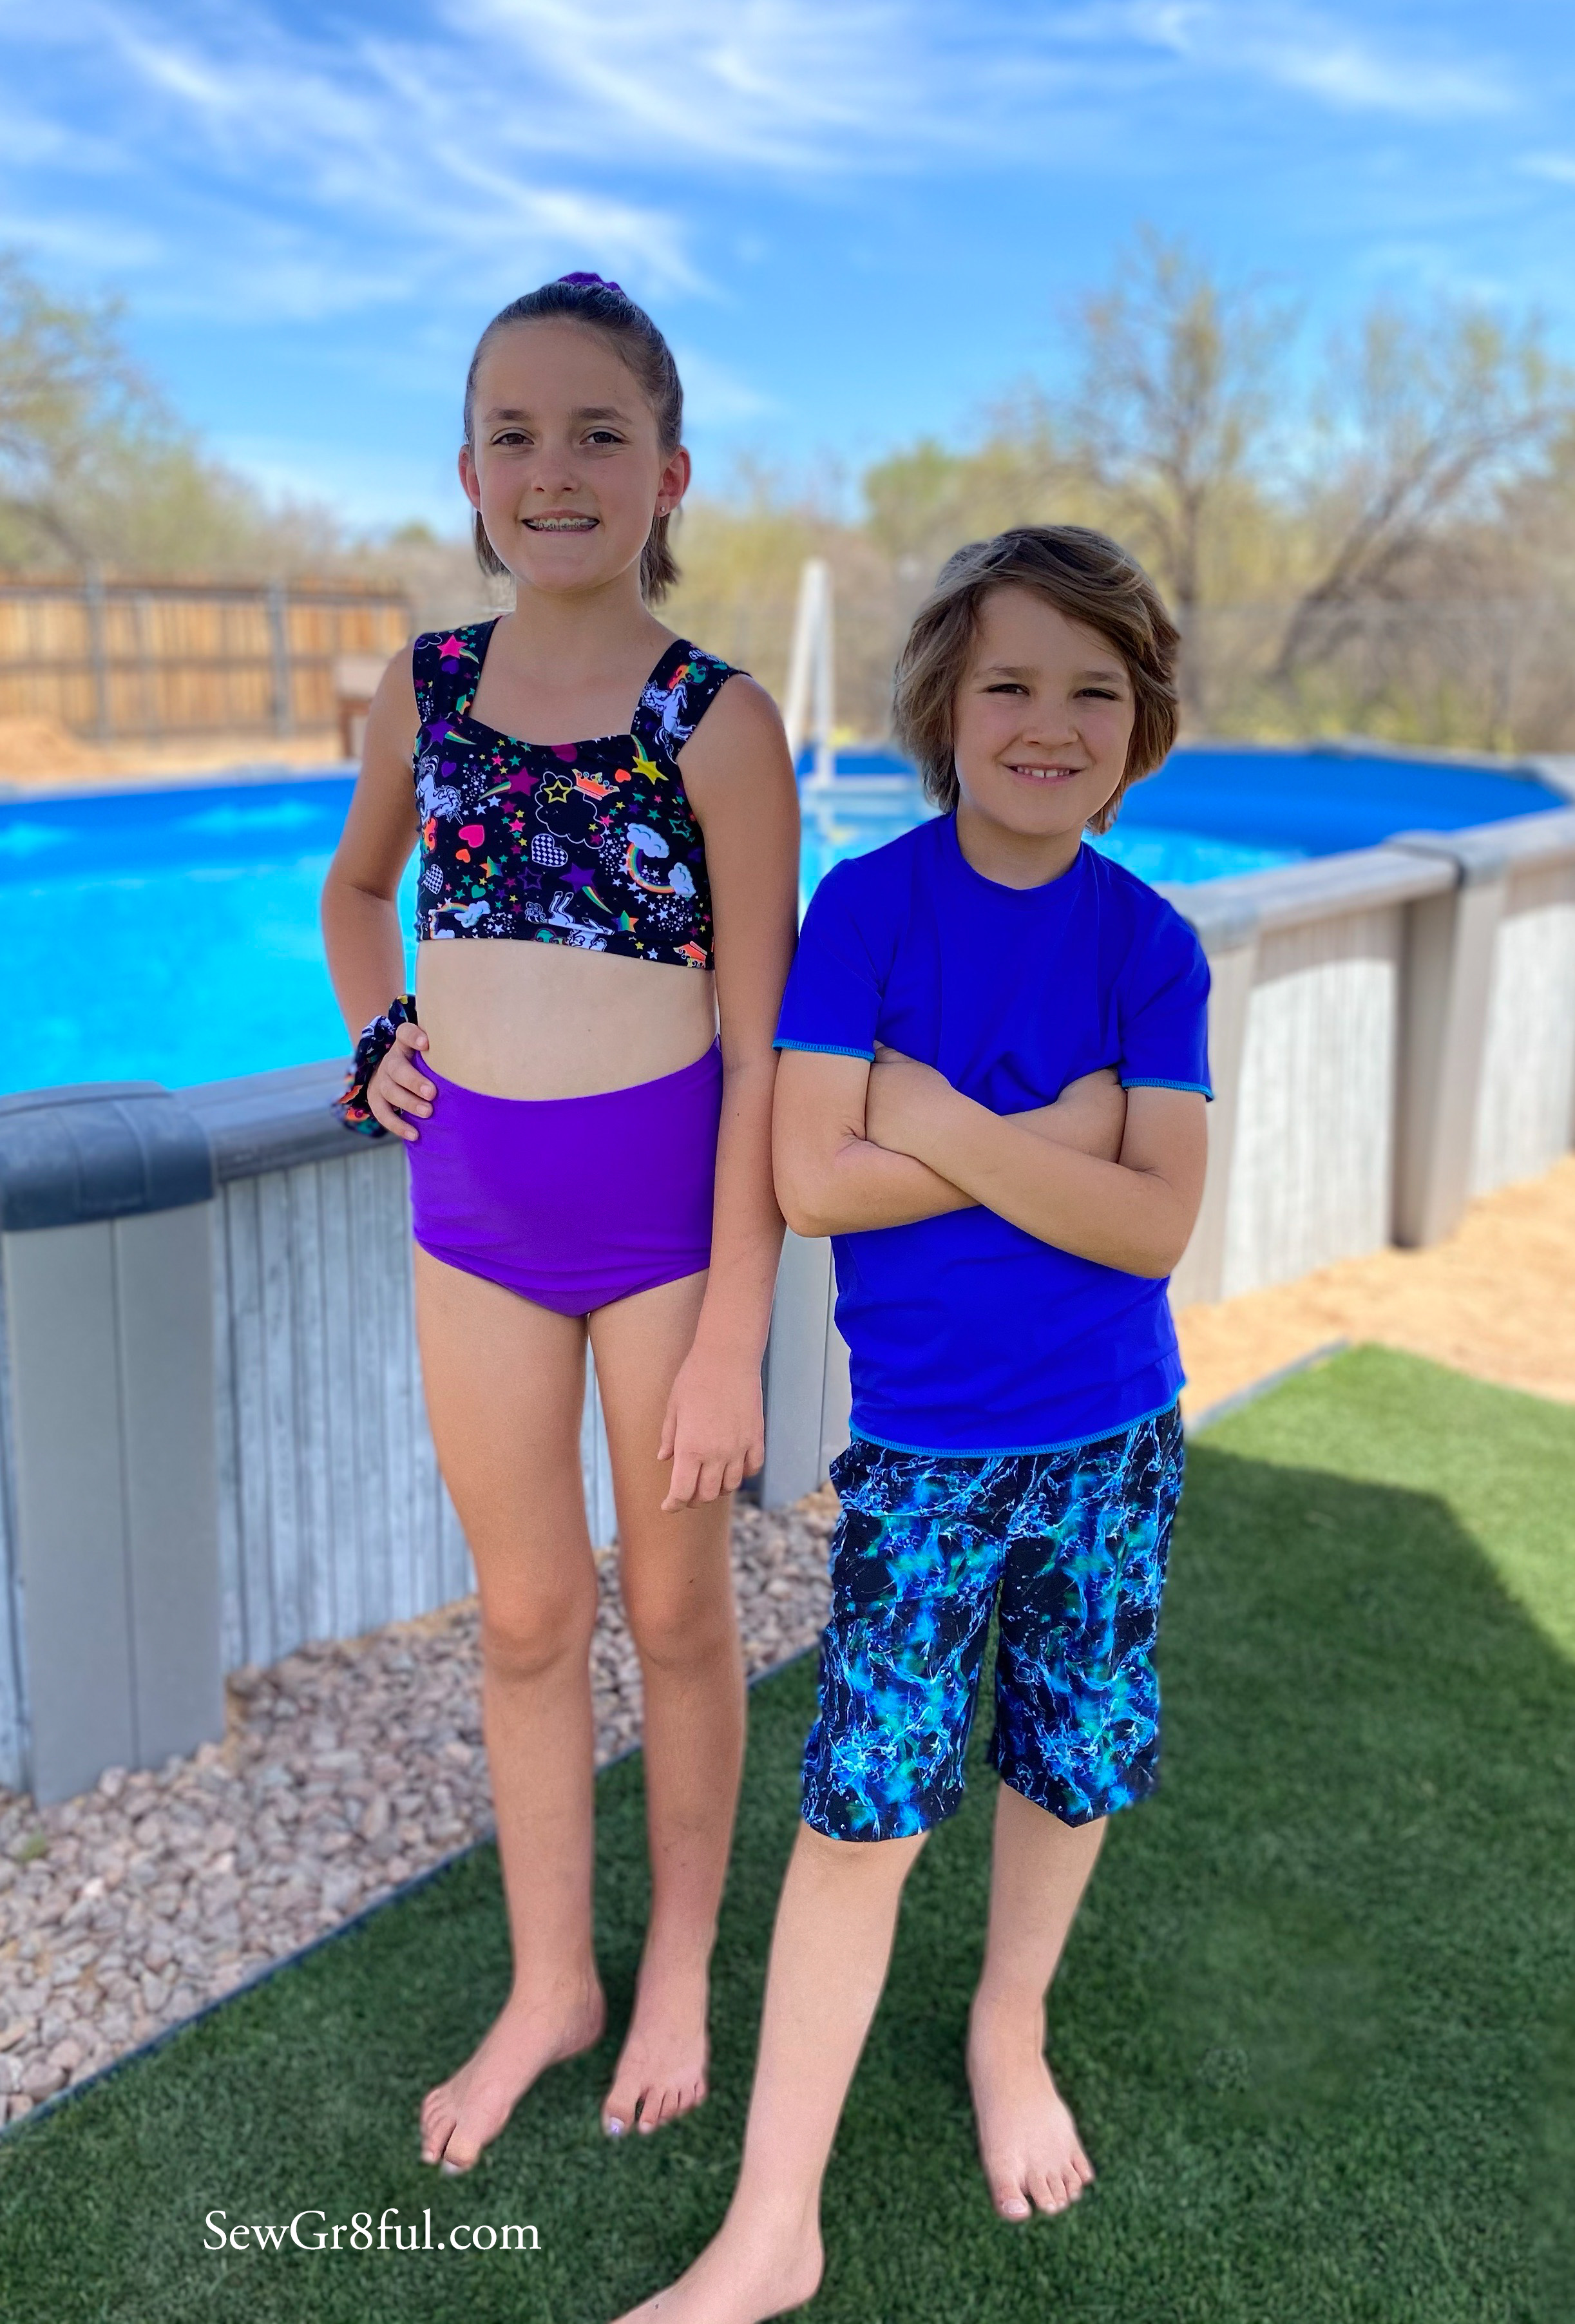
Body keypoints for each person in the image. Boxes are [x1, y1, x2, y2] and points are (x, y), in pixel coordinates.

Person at [615, 525, 1210, 2322]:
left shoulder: (1151, 945)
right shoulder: (870, 911)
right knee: (866, 1808)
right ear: (946, 706)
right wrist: (1064, 1131)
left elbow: (1156, 1227)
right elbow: (809, 1178)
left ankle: (1007, 2026)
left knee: (1066, 1758)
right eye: (1011, 682)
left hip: (1113, 1437)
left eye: (1093, 691)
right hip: (930, 1459)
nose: (1051, 723)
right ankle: (771, 2226)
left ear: (1141, 724)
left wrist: (933, 1119)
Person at [320, 274, 799, 2175]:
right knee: (527, 1614)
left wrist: (739, 1329)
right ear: (466, 472)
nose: (555, 468)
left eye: (600, 431)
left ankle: (675, 1962)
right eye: (513, 433)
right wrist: (378, 1033)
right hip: (473, 1217)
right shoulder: (426, 689)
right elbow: (359, 894)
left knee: (676, 1610)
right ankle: (552, 1984)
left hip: (668, 1230)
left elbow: (764, 1057)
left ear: (668, 472)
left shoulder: (719, 721)